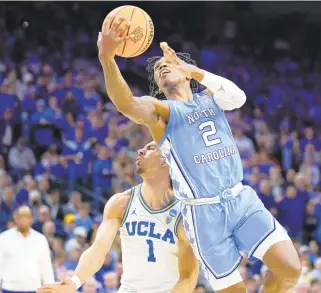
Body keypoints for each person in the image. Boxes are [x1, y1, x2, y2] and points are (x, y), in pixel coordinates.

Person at [96, 16, 301, 293]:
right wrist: (107, 57)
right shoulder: (162, 113)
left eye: (168, 63)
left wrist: (197, 72)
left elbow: (238, 98)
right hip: (203, 214)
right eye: (158, 69)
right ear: (157, 83)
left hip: (240, 200)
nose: (163, 68)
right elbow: (127, 104)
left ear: (185, 71)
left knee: (290, 270)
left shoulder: (211, 97)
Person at [37, 141, 198, 293]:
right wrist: (75, 281)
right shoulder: (121, 202)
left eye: (151, 148)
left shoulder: (184, 213)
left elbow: (188, 276)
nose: (140, 151)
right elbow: (98, 250)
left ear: (166, 161)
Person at [0, 206, 55, 293]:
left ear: (31, 219)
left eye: (27, 216)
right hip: (9, 288)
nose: (24, 219)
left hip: (34, 288)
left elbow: (46, 266)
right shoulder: (4, 238)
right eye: (21, 216)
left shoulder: (40, 239)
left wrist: (50, 288)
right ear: (15, 218)